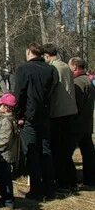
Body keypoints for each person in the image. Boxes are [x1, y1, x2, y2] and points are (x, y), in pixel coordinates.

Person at [14, 43, 57, 200]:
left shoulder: (23, 69)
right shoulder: (50, 69)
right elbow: (52, 89)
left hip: (28, 115)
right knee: (46, 150)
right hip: (45, 114)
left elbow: (19, 94)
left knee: (32, 152)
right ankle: (50, 188)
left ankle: (36, 190)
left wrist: (18, 115)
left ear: (29, 52)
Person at [43, 43, 78, 191]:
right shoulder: (65, 66)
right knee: (66, 149)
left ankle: (62, 182)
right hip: (70, 111)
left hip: (58, 112)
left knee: (58, 149)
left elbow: (51, 89)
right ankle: (71, 181)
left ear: (46, 55)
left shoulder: (53, 68)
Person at [67, 57, 95, 186]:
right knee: (88, 152)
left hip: (77, 123)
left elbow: (76, 105)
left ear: (75, 67)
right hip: (87, 122)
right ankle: (89, 178)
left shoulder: (77, 82)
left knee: (67, 152)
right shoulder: (88, 81)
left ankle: (70, 180)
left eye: (70, 66)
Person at [0, 93, 19, 209]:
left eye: (0, 105)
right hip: (6, 153)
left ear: (6, 107)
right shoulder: (8, 119)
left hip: (5, 154)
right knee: (3, 178)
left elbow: (4, 138)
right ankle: (5, 198)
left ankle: (8, 200)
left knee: (6, 179)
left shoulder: (7, 122)